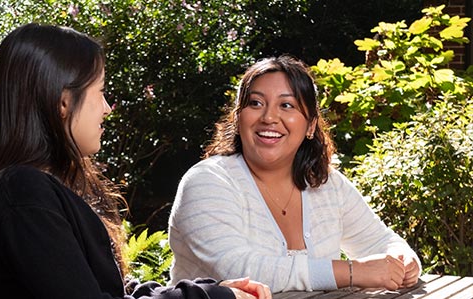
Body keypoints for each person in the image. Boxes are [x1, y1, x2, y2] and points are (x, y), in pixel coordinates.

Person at [0, 23, 271, 299]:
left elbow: (111, 289)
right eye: (101, 92)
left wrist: (216, 290)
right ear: (63, 101)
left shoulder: (31, 188)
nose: (107, 108)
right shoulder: (23, 192)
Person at [168, 55, 421, 293]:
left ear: (310, 125)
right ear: (238, 118)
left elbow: (381, 241)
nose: (269, 117)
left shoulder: (326, 184)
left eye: (286, 105)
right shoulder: (207, 182)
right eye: (255, 103)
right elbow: (242, 272)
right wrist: (354, 272)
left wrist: (403, 262)